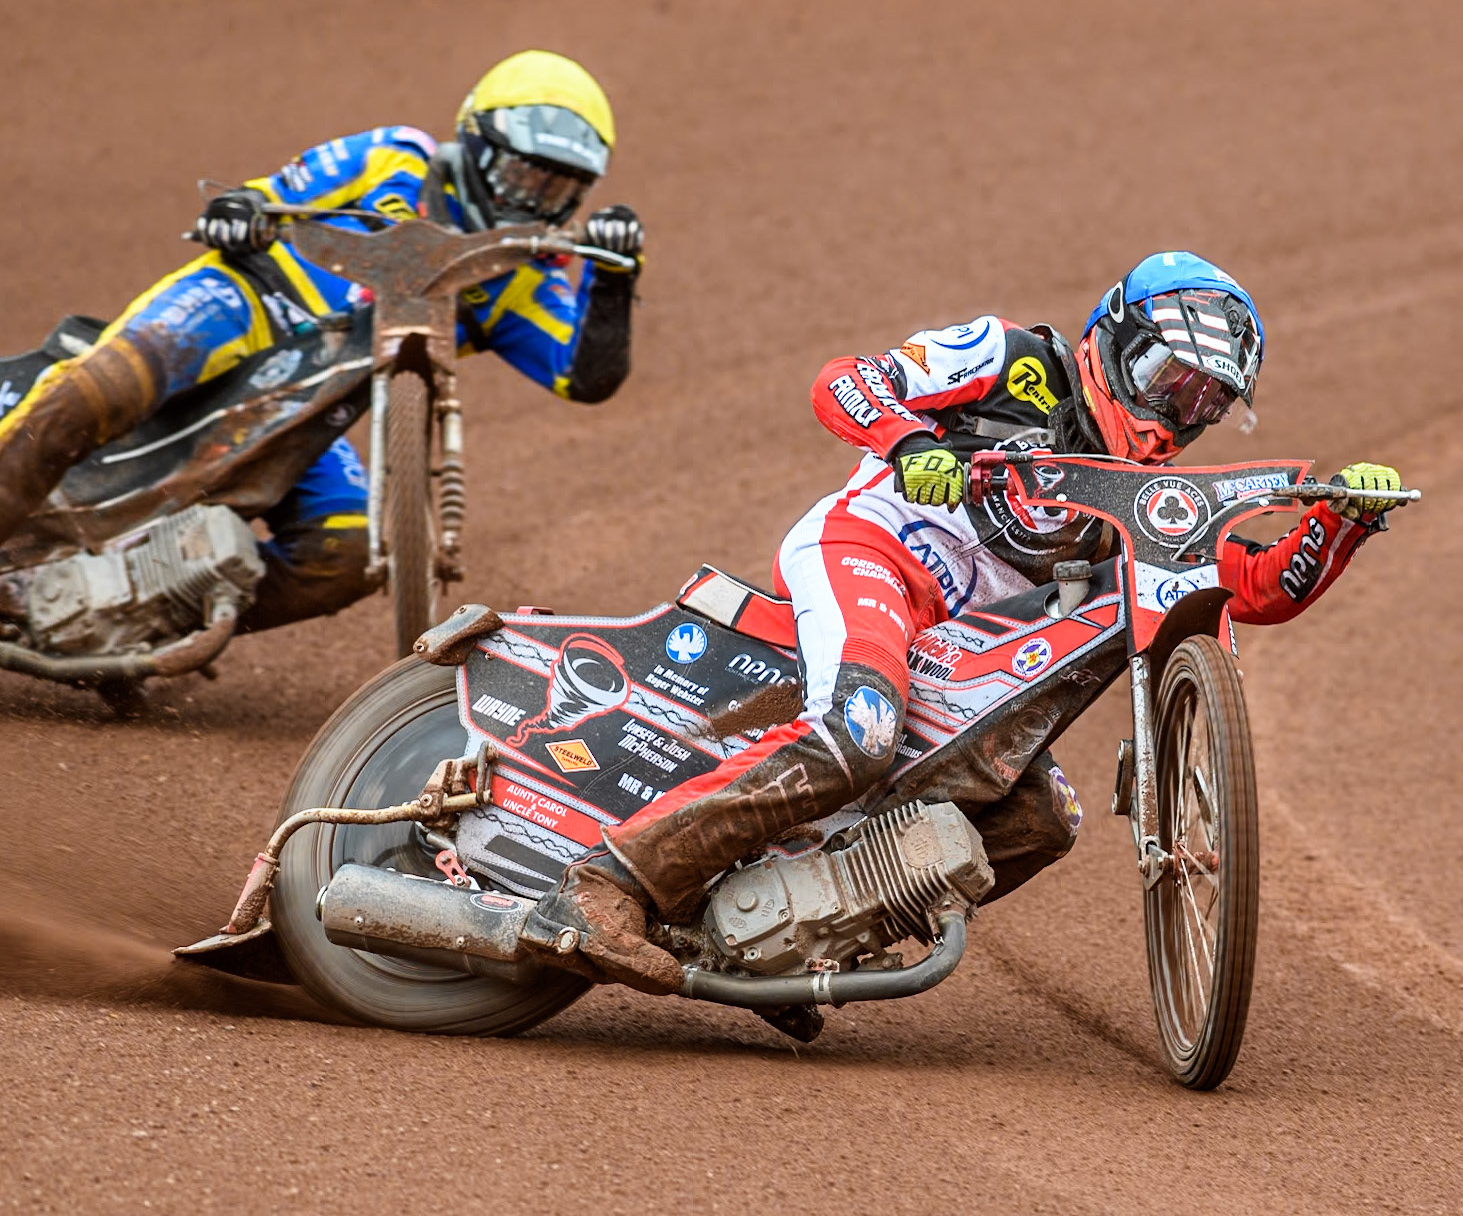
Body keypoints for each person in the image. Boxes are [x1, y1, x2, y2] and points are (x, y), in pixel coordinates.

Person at [523, 250, 1407, 995]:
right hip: (868, 551)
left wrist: (1341, 520)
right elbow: (846, 382)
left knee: (1043, 816)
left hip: (954, 639)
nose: (1175, 415)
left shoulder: (1147, 505)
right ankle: (605, 880)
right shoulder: (1010, 355)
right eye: (1164, 382)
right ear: (1114, 341)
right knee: (858, 731)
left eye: (1201, 403)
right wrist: (911, 443)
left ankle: (802, 940)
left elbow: (1248, 589)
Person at [0, 50, 645, 668]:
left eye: (557, 188)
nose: (531, 200)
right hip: (245, 306)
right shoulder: (393, 157)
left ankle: (151, 619)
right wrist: (241, 208)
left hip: (307, 410)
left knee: (345, 550)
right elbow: (268, 193)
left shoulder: (518, 274)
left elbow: (585, 376)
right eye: (522, 174)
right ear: (476, 142)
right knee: (102, 387)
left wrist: (614, 277)